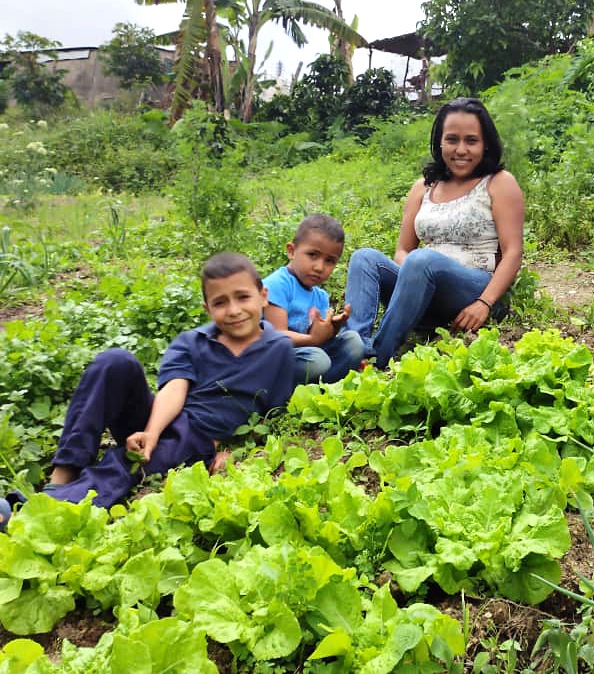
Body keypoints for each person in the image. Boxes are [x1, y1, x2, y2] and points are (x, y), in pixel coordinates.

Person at [44, 252, 296, 508]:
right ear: (207, 309)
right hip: (159, 419)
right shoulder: (191, 341)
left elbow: (271, 416)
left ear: (263, 295)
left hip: (198, 438)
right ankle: (64, 472)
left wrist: (233, 450)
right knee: (114, 361)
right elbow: (175, 387)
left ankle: (54, 506)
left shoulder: (279, 349)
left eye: (243, 297)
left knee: (127, 464)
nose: (234, 310)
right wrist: (151, 433)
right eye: (220, 302)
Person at [345, 98, 525, 368]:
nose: (461, 149)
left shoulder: (499, 183)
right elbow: (403, 250)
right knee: (364, 258)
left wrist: (485, 303)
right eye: (452, 139)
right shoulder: (423, 187)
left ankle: (378, 357)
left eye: (471, 141)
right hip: (422, 291)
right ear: (439, 142)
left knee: (422, 260)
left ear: (485, 143)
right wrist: (413, 275)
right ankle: (353, 349)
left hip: (473, 289)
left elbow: (513, 252)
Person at [262, 213, 364, 383]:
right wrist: (313, 339)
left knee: (353, 342)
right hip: (272, 360)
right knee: (317, 361)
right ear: (291, 251)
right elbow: (276, 337)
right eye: (312, 255)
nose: (319, 267)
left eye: (329, 261)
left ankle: (324, 389)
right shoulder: (277, 284)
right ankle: (279, 392)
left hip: (307, 354)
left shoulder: (321, 296)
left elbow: (318, 340)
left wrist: (332, 329)